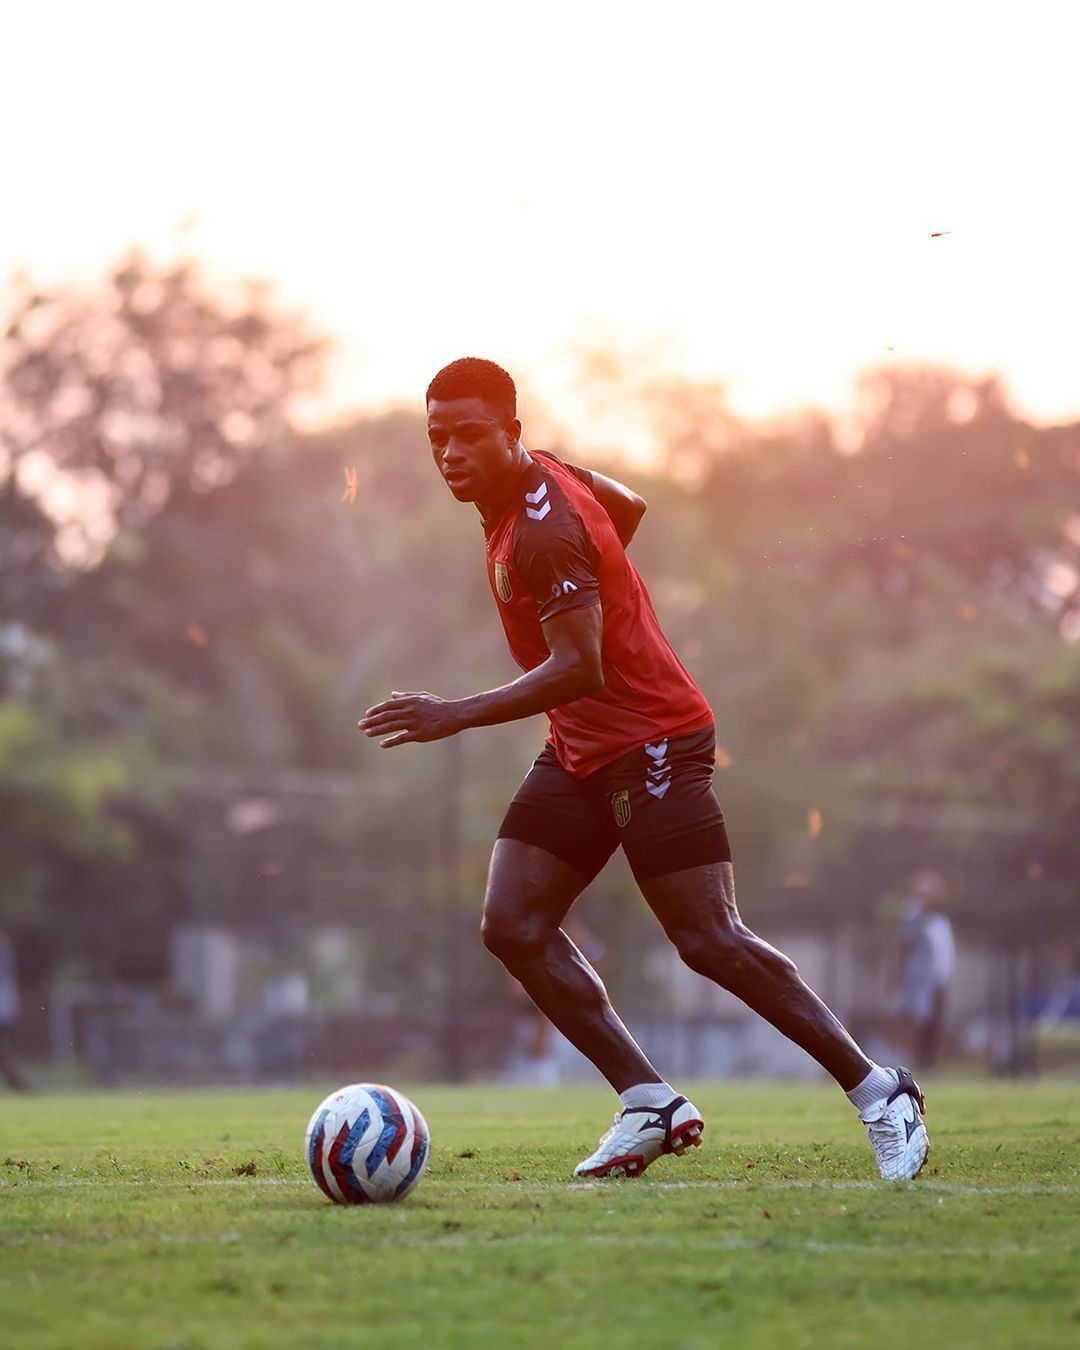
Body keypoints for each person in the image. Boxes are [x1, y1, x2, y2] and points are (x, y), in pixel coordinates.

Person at [359, 357, 928, 1182]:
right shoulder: (539, 484)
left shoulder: (544, 527)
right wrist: (603, 573)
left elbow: (581, 666)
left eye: (470, 436)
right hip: (581, 749)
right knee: (512, 924)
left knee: (708, 939)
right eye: (437, 437)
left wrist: (453, 713)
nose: (450, 452)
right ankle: (648, 1103)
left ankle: (882, 1091)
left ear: (511, 435)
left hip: (654, 740)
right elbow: (628, 507)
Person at [898, 870, 955, 1068]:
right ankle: (914, 1063)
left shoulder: (940, 920)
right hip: (919, 980)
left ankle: (931, 1065)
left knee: (936, 1024)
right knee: (918, 1021)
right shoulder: (914, 915)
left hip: (938, 980)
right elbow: (903, 944)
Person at [0, 930, 29, 1092]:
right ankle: (19, 1085)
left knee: (4, 1053)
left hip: (3, 1011)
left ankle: (20, 1085)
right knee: (4, 1054)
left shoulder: (2, 943)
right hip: (6, 1008)